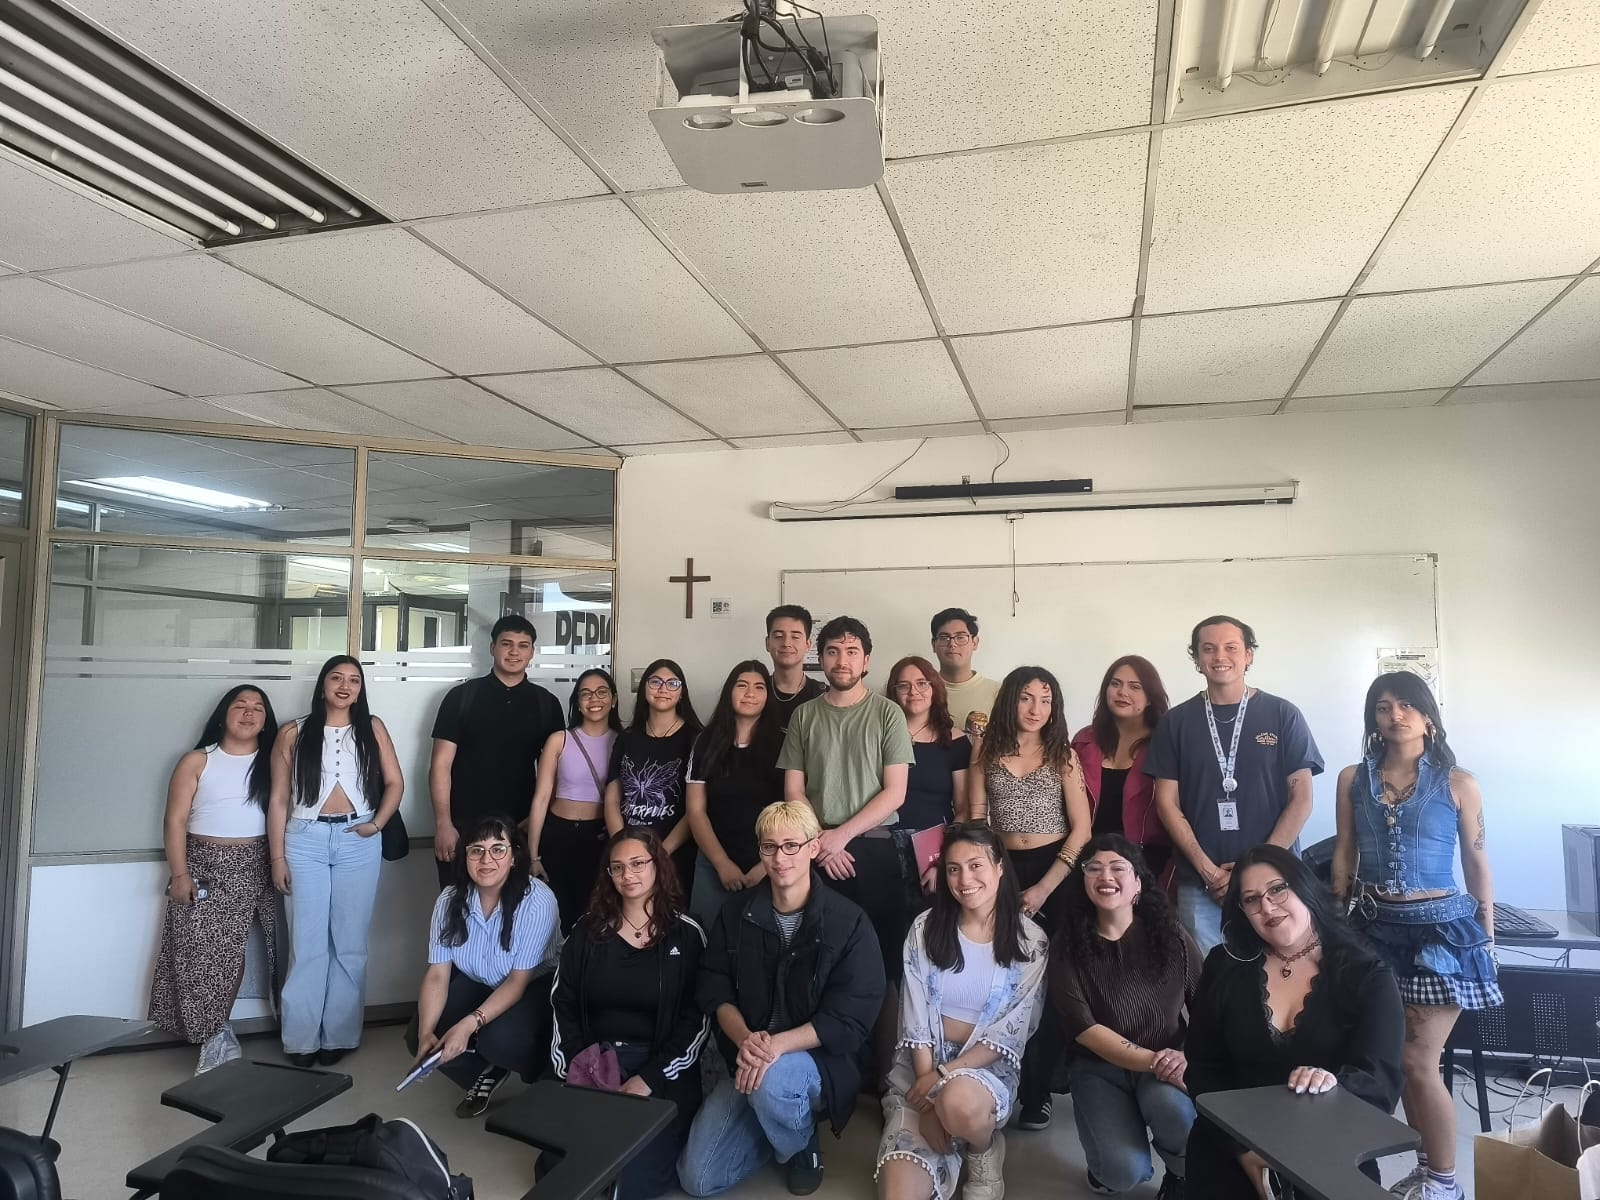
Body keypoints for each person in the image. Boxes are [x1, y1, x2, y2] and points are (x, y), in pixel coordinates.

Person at [1332, 672, 1499, 1200]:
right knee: (1396, 1057)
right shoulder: (1352, 778)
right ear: (1373, 719)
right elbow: (1344, 852)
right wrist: (1334, 922)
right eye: (1383, 707)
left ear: (1428, 715)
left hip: (1440, 937)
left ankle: (1446, 1181)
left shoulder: (1458, 782)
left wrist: (1487, 938)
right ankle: (1427, 1169)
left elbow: (1476, 863)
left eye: (1406, 705)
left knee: (1417, 1061)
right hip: (1372, 930)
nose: (1395, 715)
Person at [678, 801, 885, 1198]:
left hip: (816, 1062)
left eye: (792, 845)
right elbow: (714, 986)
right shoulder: (735, 913)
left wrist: (775, 1047)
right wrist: (745, 1040)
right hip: (749, 1055)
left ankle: (801, 1143)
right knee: (698, 1179)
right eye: (769, 847)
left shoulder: (849, 922)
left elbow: (850, 1016)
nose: (780, 858)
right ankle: (777, 1127)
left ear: (813, 847)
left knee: (774, 1083)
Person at [1185, 844, 1405, 1200]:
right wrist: (1245, 1149)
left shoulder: (1368, 975)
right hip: (1232, 1140)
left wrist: (1334, 1084)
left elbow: (1380, 1080)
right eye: (1251, 899)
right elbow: (1202, 1067)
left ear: (1305, 888)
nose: (1267, 907)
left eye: (1277, 889)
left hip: (1329, 1141)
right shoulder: (1224, 964)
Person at [876, 822, 1048, 1200]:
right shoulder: (925, 929)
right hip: (920, 1069)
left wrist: (942, 1078)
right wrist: (927, 1102)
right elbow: (914, 1015)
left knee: (957, 1102)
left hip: (982, 1071)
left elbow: (1010, 1032)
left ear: (999, 867)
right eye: (953, 869)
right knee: (898, 1195)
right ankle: (946, 1130)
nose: (964, 879)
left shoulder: (1030, 941)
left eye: (976, 866)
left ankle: (982, 1149)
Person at [779, 615, 914, 1073]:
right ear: (820, 658)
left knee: (882, 964)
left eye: (852, 651)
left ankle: (884, 1074)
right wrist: (822, 841)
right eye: (833, 651)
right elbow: (794, 790)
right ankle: (827, 1070)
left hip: (874, 851)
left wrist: (841, 837)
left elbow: (895, 793)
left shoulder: (887, 713)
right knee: (818, 960)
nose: (842, 660)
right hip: (814, 852)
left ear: (866, 660)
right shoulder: (804, 715)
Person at [1147, 616, 1324, 954]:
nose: (1220, 656)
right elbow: (1166, 804)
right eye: (1208, 649)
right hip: (1202, 886)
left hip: (1276, 881)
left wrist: (1254, 871)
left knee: (1284, 969)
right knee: (1209, 978)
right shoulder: (1176, 723)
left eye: (1231, 647)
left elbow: (1301, 799)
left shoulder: (1283, 714)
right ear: (1197, 659)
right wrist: (1209, 873)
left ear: (1249, 655)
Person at [551, 828, 710, 1199]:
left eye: (638, 863)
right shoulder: (587, 931)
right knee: (567, 1171)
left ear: (658, 866)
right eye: (618, 867)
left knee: (632, 1179)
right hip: (595, 1060)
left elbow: (697, 1019)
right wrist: (580, 1069)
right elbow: (563, 1004)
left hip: (661, 1069)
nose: (628, 874)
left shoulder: (687, 934)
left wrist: (649, 1078)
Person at [967, 665, 1093, 1131]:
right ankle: (995, 1083)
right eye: (1026, 697)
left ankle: (1038, 1092)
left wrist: (1044, 887)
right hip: (1001, 871)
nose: (1036, 708)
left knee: (1051, 984)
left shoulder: (1063, 754)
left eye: (1045, 699)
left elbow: (1082, 829)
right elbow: (975, 820)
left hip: (1056, 874)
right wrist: (987, 877)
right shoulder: (986, 749)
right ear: (1010, 700)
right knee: (1001, 982)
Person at [269, 655, 404, 1066]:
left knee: (349, 942)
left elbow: (395, 782)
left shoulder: (372, 727)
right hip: (304, 839)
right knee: (307, 942)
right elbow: (278, 799)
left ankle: (340, 1036)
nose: (345, 686)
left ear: (360, 690)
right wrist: (277, 857)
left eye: (354, 681)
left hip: (357, 839)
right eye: (337, 678)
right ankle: (301, 1039)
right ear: (323, 685)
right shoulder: (293, 732)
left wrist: (376, 824)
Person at [1052, 834, 1200, 1199]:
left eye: (1118, 867)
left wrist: (1187, 1057)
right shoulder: (1066, 946)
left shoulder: (1172, 936)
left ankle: (1180, 1175)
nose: (1105, 876)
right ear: (1083, 881)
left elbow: (1208, 1007)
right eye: (1094, 868)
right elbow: (1085, 1029)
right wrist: (1156, 1062)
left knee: (1176, 1115)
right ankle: (1107, 1163)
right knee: (1122, 1172)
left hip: (1167, 1059)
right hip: (1099, 1068)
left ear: (1138, 883)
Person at [149, 685, 281, 1074]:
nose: (249, 713)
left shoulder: (273, 762)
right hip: (202, 863)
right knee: (196, 951)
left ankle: (217, 1033)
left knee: (231, 952)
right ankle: (211, 1032)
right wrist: (179, 873)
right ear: (223, 714)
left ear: (265, 721)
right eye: (240, 705)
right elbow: (174, 820)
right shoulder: (197, 760)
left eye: (258, 708)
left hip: (255, 863)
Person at [413, 816, 559, 1117]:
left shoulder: (537, 901)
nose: (486, 859)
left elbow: (517, 982)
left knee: (498, 1040)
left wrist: (469, 1024)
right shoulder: (450, 899)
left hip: (536, 983)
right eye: (476, 850)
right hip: (483, 979)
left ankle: (543, 1081)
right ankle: (487, 1072)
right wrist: (425, 1033)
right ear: (465, 856)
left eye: (498, 849)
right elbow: (438, 974)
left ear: (514, 856)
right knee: (424, 1032)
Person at [429, 615, 565, 889]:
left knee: (517, 908)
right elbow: (440, 765)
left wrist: (535, 821)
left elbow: (555, 774)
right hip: (463, 827)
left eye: (523, 645)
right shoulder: (461, 697)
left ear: (532, 652)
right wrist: (443, 823)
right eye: (506, 643)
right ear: (492, 648)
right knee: (459, 908)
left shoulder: (546, 704)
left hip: (520, 828)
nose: (514, 652)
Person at [685, 661, 785, 923]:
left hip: (773, 861)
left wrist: (766, 865)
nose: (750, 693)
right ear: (729, 691)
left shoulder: (784, 742)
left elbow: (793, 809)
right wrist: (721, 863)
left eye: (759, 687)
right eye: (742, 685)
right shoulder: (705, 741)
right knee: (708, 935)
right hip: (713, 861)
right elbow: (695, 811)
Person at [529, 667, 621, 933]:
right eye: (586, 694)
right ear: (578, 702)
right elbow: (541, 799)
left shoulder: (624, 741)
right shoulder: (560, 740)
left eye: (602, 692)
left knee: (595, 914)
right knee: (554, 916)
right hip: (558, 834)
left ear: (614, 699)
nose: (594, 699)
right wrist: (533, 856)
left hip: (599, 837)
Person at [1072, 656, 1174, 884]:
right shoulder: (1084, 741)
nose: (1122, 692)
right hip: (1088, 860)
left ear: (1150, 697)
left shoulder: (1165, 744)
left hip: (1148, 863)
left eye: (1135, 687)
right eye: (1115, 684)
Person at [607, 658, 703, 899]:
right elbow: (612, 799)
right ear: (644, 689)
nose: (663, 689)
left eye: (673, 683)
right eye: (655, 682)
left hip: (675, 853)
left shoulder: (696, 740)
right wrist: (624, 848)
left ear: (682, 693)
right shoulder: (627, 738)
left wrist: (660, 853)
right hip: (627, 858)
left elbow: (696, 808)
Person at [887, 656, 971, 893]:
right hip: (883, 847)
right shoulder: (880, 735)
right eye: (904, 685)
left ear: (935, 688)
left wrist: (943, 860)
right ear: (894, 692)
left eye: (922, 683)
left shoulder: (956, 741)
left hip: (934, 851)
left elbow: (964, 810)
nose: (913, 692)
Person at [929, 608, 999, 739]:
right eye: (944, 638)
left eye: (960, 637)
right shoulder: (920, 691)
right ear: (934, 644)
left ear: (975, 642)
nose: (952, 644)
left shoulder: (998, 692)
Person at [765, 605, 826, 732]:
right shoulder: (756, 693)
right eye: (779, 636)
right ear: (767, 643)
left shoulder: (823, 696)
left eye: (795, 637)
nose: (786, 643)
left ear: (808, 645)